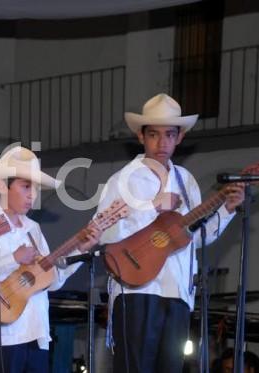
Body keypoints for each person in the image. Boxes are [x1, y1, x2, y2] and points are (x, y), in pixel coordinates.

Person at [95, 93, 245, 372]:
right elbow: (102, 232)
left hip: (177, 292)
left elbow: (198, 236)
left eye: (169, 135)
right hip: (136, 289)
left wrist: (227, 210)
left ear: (179, 138)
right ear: (141, 137)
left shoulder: (186, 181)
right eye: (154, 134)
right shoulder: (123, 179)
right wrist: (152, 208)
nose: (162, 142)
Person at [0, 146, 100, 373]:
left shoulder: (33, 228)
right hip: (2, 337)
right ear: (2, 186)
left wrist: (78, 252)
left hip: (37, 333)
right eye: (26, 186)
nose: (33, 195)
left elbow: (51, 280)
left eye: (35, 188)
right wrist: (13, 259)